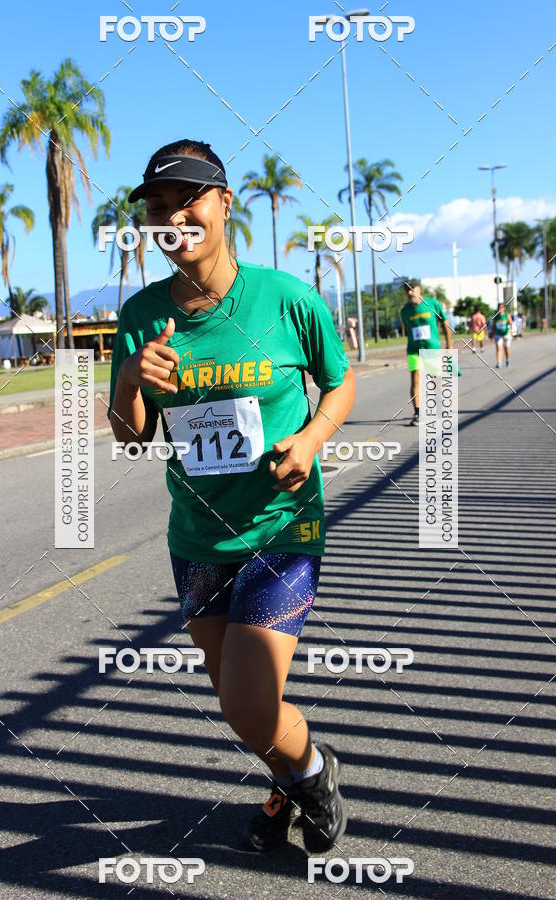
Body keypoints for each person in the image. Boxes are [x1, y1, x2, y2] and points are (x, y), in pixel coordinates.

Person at [107, 139, 357, 854]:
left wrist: (310, 441)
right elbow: (129, 436)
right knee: (244, 706)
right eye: (158, 207)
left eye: (188, 199)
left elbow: (339, 383)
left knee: (249, 700)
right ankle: (288, 782)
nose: (173, 216)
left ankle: (312, 771)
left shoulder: (286, 300)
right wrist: (130, 378)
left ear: (224, 203)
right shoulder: (142, 313)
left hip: (282, 528)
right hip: (196, 541)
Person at [399, 279, 453, 426]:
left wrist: (449, 344)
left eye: (412, 289)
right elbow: (409, 330)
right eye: (407, 291)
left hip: (431, 348)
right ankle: (418, 413)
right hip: (413, 350)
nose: (410, 293)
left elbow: (445, 323)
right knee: (415, 379)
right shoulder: (404, 311)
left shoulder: (432, 304)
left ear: (419, 289)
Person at [491, 301, 513, 368]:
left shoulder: (507, 315)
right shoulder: (495, 317)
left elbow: (511, 324)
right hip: (498, 334)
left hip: (506, 333)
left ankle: (507, 360)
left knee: (506, 348)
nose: (500, 309)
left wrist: (511, 331)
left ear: (504, 308)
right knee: (498, 347)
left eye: (501, 308)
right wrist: (492, 334)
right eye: (499, 308)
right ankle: (499, 362)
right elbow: (493, 326)